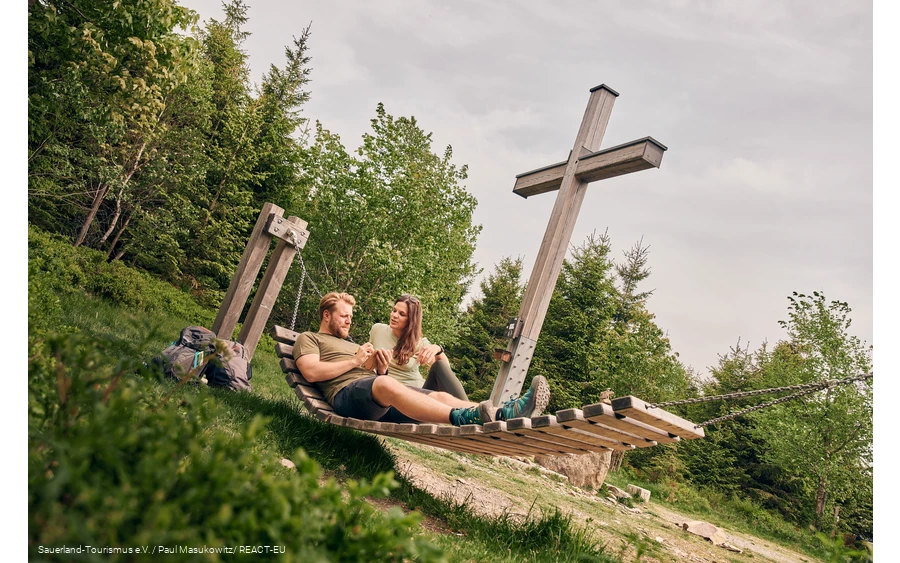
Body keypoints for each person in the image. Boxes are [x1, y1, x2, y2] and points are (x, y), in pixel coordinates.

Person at [293, 291, 550, 426]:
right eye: (344, 316)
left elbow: (374, 379)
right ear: (326, 315)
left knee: (438, 397)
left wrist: (380, 369)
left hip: (372, 396)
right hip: (344, 395)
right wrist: (356, 361)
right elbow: (311, 372)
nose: (349, 321)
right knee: (386, 384)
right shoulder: (309, 338)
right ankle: (462, 418)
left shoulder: (351, 344)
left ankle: (504, 413)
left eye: (350, 316)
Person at [368, 294, 468, 401]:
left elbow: (444, 371)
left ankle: (469, 408)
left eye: (402, 314)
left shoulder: (419, 343)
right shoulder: (377, 330)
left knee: (439, 365)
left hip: (418, 393)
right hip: (390, 393)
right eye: (394, 310)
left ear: (411, 320)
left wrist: (438, 349)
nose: (394, 315)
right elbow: (367, 362)